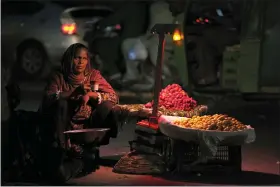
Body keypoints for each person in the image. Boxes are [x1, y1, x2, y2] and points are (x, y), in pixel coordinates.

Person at [38, 43, 120, 182]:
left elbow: (114, 96)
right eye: (76, 58)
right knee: (61, 104)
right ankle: (64, 149)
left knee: (107, 105)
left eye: (84, 58)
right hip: (63, 125)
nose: (80, 62)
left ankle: (90, 147)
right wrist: (73, 93)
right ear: (69, 59)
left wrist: (93, 95)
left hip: (86, 125)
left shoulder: (93, 76)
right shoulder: (59, 77)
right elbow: (49, 97)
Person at [121, 0, 174, 86]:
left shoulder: (170, 7)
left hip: (164, 41)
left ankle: (166, 79)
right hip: (149, 40)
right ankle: (132, 75)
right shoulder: (153, 6)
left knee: (155, 52)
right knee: (128, 44)